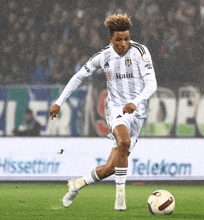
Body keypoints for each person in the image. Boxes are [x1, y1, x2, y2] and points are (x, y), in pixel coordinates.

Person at [49, 14, 157, 211]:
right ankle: (120, 198)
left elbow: (152, 84)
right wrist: (59, 102)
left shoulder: (141, 52)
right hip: (115, 107)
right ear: (110, 39)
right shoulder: (103, 56)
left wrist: (136, 101)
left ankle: (77, 184)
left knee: (113, 167)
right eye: (119, 40)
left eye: (126, 39)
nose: (124, 44)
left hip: (137, 110)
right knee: (123, 141)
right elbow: (79, 76)